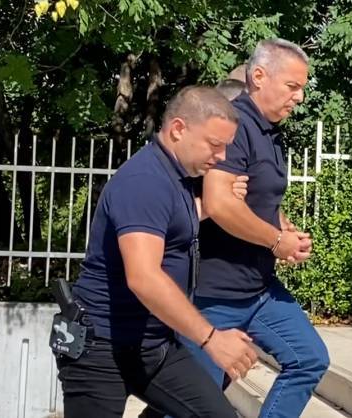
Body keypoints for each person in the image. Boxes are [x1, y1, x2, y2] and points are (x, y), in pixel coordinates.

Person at [54, 86, 259, 418]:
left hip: (154, 346)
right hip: (100, 348)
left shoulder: (175, 177)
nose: (222, 156)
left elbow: (172, 222)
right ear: (178, 129)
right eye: (214, 144)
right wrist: (211, 339)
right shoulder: (144, 180)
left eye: (226, 146)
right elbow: (144, 277)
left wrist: (210, 205)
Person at [186, 38, 330, 417]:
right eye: (292, 86)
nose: (299, 97)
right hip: (215, 296)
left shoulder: (269, 132)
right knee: (197, 403)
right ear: (260, 77)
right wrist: (277, 240)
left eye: (302, 88)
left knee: (309, 359)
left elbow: (261, 199)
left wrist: (285, 227)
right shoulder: (233, 126)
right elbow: (220, 204)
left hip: (259, 290)